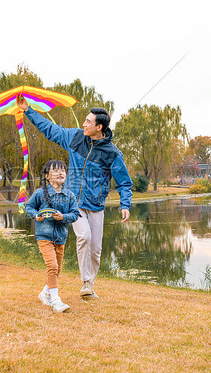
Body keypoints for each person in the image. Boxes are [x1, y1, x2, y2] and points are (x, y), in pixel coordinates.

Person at [17, 96, 132, 298]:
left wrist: (125, 204)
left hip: (96, 205)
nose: (84, 124)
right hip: (74, 203)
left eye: (88, 121)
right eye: (85, 120)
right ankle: (85, 282)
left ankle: (89, 285)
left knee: (96, 249)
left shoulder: (112, 153)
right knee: (84, 237)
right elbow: (50, 129)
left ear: (100, 127)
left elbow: (123, 181)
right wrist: (28, 110)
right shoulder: (75, 137)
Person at [25, 160, 80, 313]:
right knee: (52, 266)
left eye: (63, 170)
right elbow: (29, 207)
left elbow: (75, 214)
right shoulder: (39, 193)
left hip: (61, 237)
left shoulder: (69, 195)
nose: (61, 173)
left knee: (57, 269)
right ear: (47, 176)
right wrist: (36, 215)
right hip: (44, 235)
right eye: (56, 171)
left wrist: (63, 217)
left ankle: (45, 293)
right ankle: (56, 301)